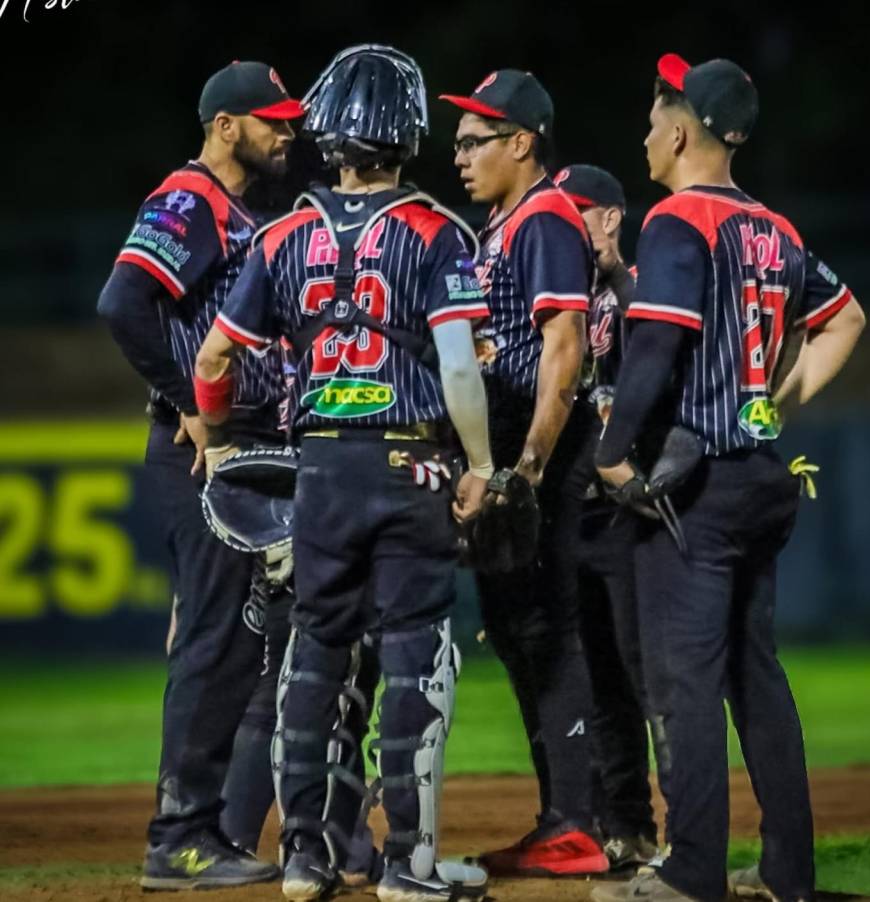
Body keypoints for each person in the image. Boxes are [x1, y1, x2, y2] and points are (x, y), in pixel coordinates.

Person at [193, 45, 493, 902]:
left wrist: (216, 444)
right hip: (412, 463)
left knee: (315, 655)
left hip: (317, 467)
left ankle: (304, 860)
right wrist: (480, 465)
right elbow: (460, 368)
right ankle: (409, 866)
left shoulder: (281, 236)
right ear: (410, 134)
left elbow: (216, 358)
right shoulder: (438, 232)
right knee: (415, 657)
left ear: (323, 131)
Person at [591, 54, 866, 902]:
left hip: (696, 491)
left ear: (680, 133)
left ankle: (692, 870)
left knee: (683, 683)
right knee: (756, 678)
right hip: (757, 474)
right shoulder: (773, 228)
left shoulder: (678, 220)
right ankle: (788, 873)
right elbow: (846, 315)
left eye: (652, 120)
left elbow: (659, 345)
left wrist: (610, 451)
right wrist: (773, 404)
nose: (645, 134)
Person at [97, 60, 303, 890]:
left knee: (241, 640)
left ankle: (205, 831)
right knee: (217, 640)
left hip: (246, 449)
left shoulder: (241, 210)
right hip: (205, 452)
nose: (286, 133)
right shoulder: (192, 200)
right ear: (226, 126)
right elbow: (121, 302)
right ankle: (178, 838)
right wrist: (187, 399)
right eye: (272, 121)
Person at [439, 71, 609, 876]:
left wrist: (527, 469)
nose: (461, 154)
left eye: (477, 140)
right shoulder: (501, 227)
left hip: (538, 462)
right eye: (460, 140)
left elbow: (564, 345)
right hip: (504, 459)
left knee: (546, 629)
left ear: (523, 142)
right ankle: (563, 818)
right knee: (516, 632)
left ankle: (579, 822)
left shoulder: (543, 218)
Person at [549, 164, 662, 870]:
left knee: (642, 676)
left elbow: (659, 364)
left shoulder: (639, 291)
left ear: (611, 217)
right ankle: (613, 825)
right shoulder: (555, 299)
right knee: (590, 678)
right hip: (571, 517)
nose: (564, 226)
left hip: (627, 518)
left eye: (578, 214)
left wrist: (617, 275)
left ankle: (676, 830)